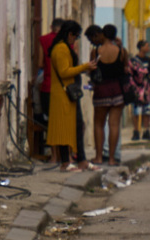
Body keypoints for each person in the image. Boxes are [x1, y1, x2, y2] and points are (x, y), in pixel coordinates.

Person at [46, 20, 98, 171]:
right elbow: (64, 71)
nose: (75, 40)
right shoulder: (61, 49)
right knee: (64, 129)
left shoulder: (63, 47)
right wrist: (84, 66)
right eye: (75, 37)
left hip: (67, 94)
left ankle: (80, 159)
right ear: (69, 34)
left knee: (76, 126)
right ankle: (66, 162)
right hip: (63, 94)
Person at [91, 24, 127, 166]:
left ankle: (99, 157)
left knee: (99, 124)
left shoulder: (95, 52)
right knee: (114, 125)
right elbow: (126, 68)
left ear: (103, 35)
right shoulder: (121, 51)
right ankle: (112, 158)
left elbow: (92, 71)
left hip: (101, 91)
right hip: (117, 91)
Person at [35, 18, 64, 155]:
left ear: (51, 27)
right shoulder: (67, 42)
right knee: (63, 121)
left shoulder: (44, 40)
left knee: (51, 122)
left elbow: (40, 63)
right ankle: (64, 154)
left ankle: (53, 155)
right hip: (63, 88)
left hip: (47, 86)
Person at [131, 40, 150, 142]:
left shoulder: (149, 60)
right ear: (141, 47)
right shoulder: (134, 60)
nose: (148, 48)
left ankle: (146, 130)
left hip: (147, 88)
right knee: (136, 111)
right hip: (137, 88)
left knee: (147, 110)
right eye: (146, 46)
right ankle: (136, 131)